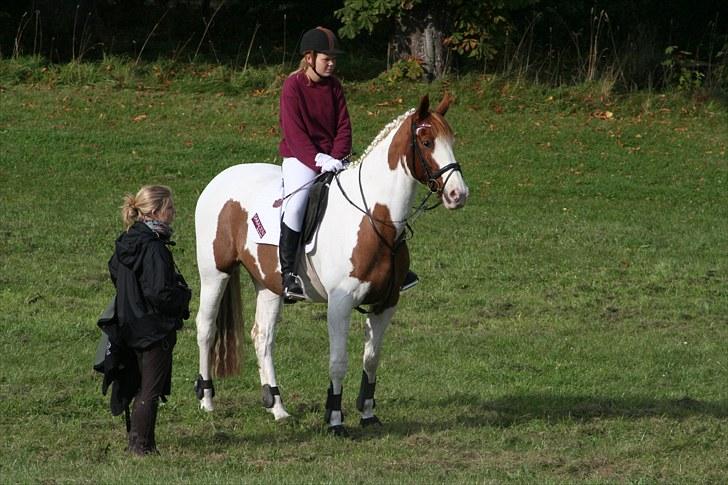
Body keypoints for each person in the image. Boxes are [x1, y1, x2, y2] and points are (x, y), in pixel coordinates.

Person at [278, 26, 418, 302]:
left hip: (333, 158)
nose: (331, 63)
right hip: (300, 158)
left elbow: (344, 126)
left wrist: (338, 157)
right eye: (326, 58)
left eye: (333, 59)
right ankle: (288, 275)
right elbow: (294, 133)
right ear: (309, 58)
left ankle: (396, 268)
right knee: (295, 205)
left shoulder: (334, 86)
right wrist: (319, 159)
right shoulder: (292, 86)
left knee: (371, 198)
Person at [107, 185, 191, 455]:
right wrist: (182, 298)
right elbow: (160, 292)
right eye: (170, 208)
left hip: (129, 324)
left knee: (138, 385)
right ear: (155, 211)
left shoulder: (128, 240)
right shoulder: (154, 247)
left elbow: (115, 270)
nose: (174, 212)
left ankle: (138, 442)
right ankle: (141, 446)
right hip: (154, 329)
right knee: (149, 390)